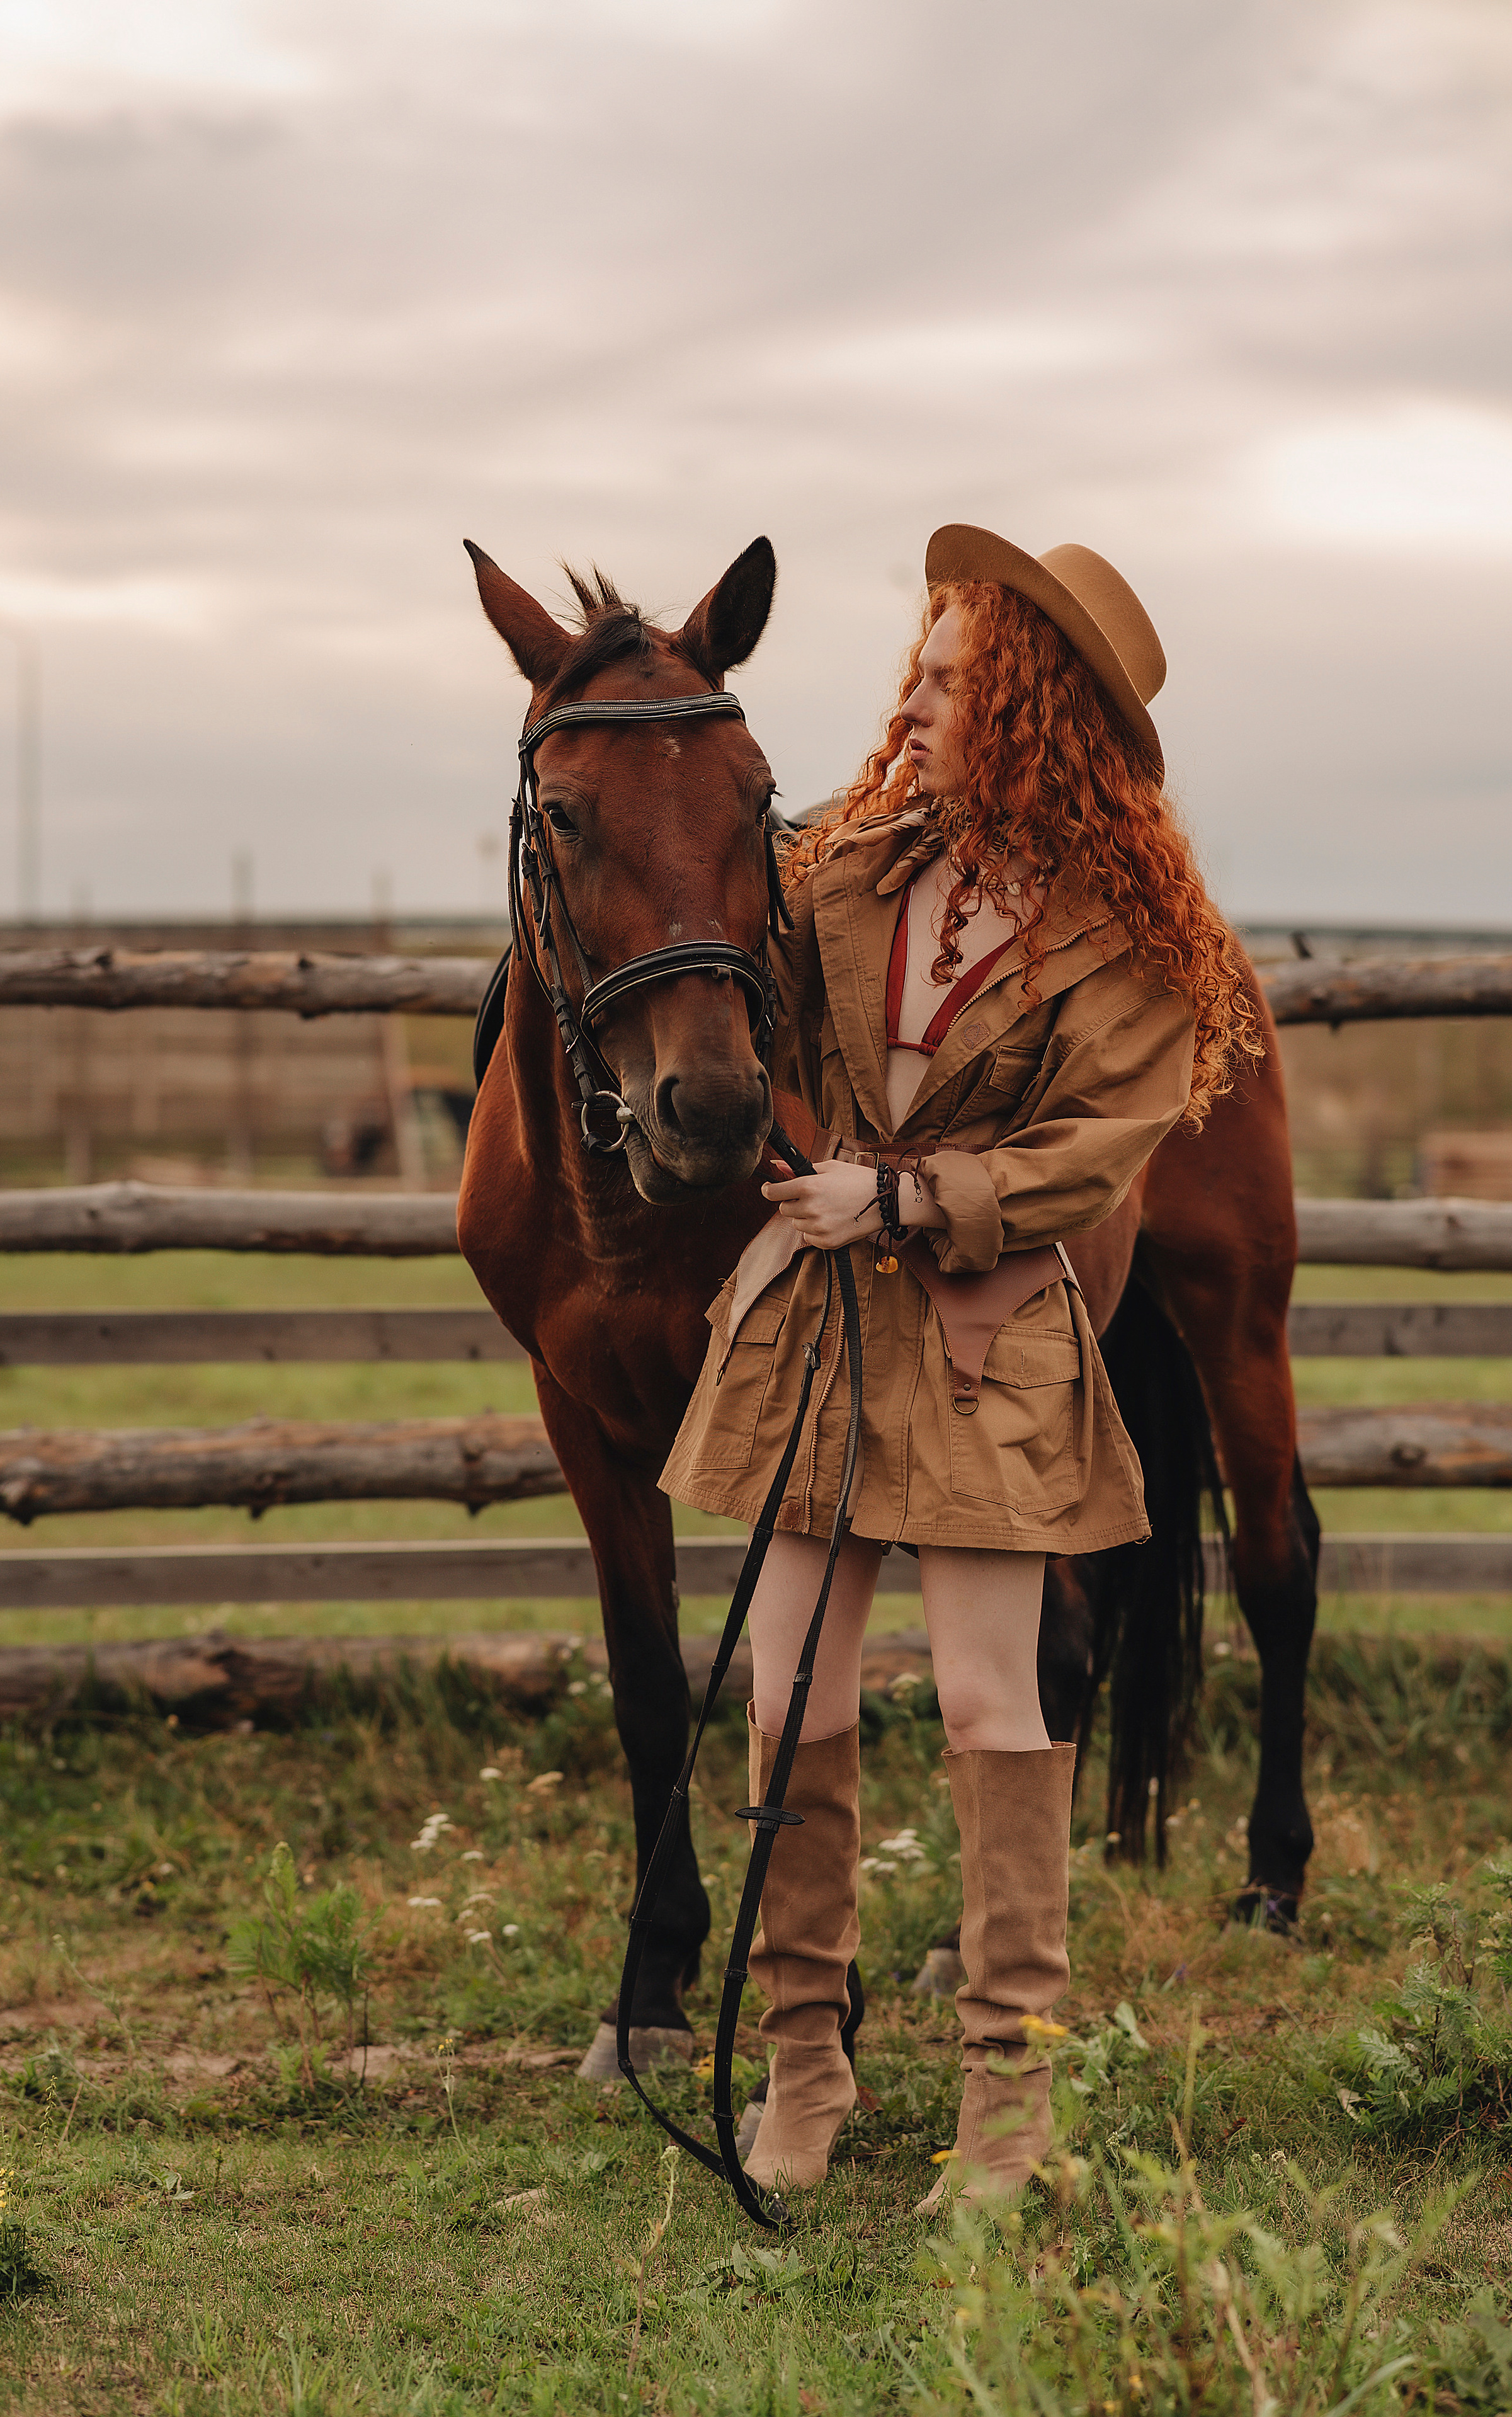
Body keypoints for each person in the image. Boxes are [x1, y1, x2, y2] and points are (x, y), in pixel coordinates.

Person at [659, 523, 1256, 2212]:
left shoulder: (1128, 934)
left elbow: (1091, 1154)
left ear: (1030, 712)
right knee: (789, 1697)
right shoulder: (847, 863)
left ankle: (1009, 2114)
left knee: (996, 1707)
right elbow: (713, 952)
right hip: (818, 1333)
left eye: (945, 683)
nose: (907, 704)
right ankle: (801, 2067)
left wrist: (907, 1195)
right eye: (911, 674)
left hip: (987, 1344)